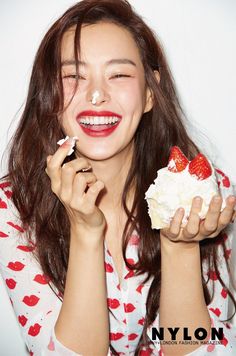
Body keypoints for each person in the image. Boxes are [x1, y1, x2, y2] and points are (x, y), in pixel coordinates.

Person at [0, 0, 236, 355]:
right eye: (73, 76)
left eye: (119, 75)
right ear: (49, 94)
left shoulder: (204, 193)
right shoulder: (14, 204)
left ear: (149, 94)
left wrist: (180, 247)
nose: (97, 95)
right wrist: (86, 231)